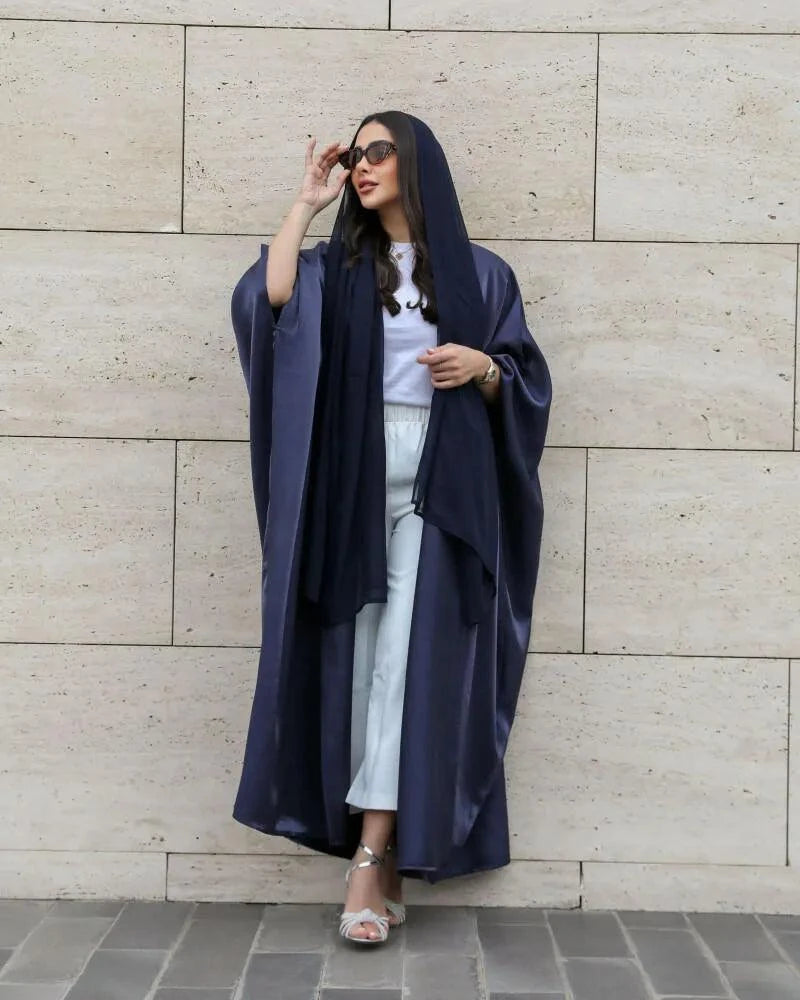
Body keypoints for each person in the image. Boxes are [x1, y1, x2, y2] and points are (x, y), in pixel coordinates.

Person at [230, 111, 551, 945]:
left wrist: (482, 368)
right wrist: (306, 201)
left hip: (442, 480)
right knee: (368, 659)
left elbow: (520, 375)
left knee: (408, 661)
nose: (363, 165)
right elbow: (270, 305)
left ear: (414, 163)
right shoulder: (338, 268)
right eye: (356, 153)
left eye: (378, 152)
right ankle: (379, 844)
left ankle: (370, 861)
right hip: (354, 473)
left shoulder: (481, 275)